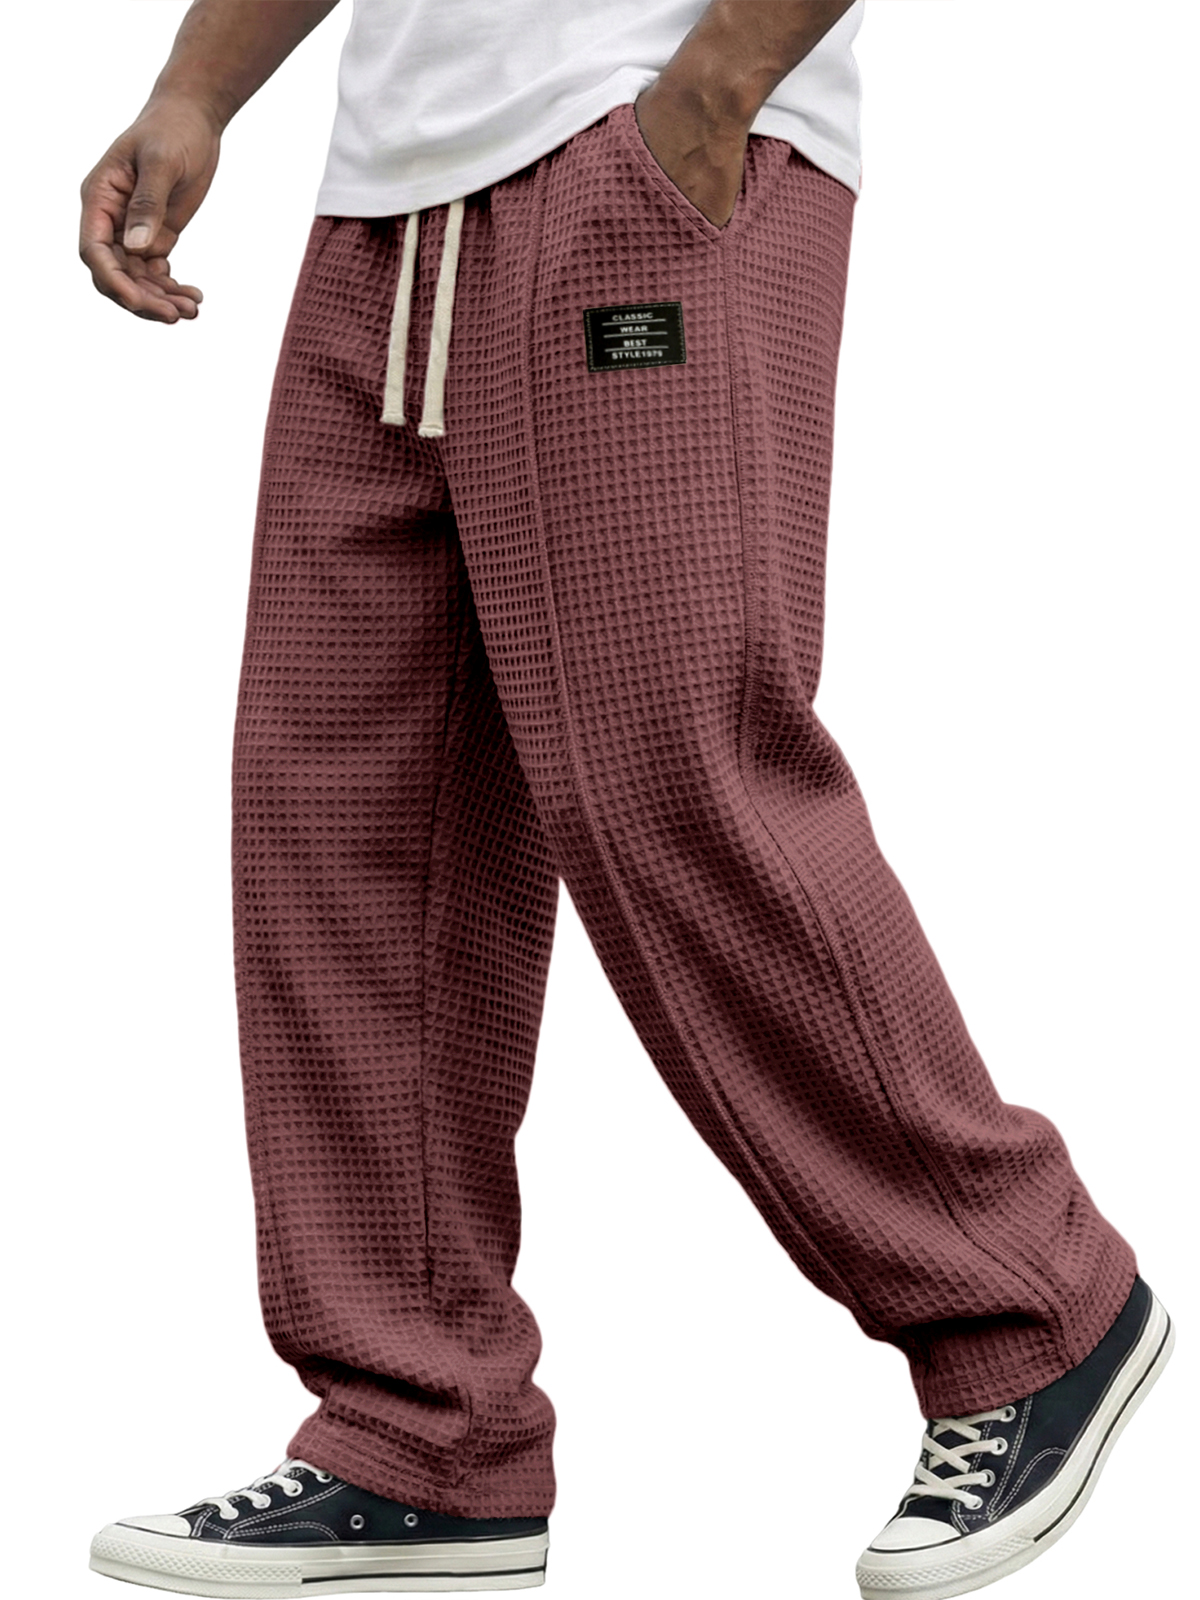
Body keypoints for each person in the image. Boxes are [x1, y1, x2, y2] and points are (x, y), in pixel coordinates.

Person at [78, 3, 1173, 1597]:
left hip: (641, 147)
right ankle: (419, 1433)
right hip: (392, 204)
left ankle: (1031, 1303)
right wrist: (196, 90)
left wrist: (716, 91)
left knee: (670, 774)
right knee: (344, 818)